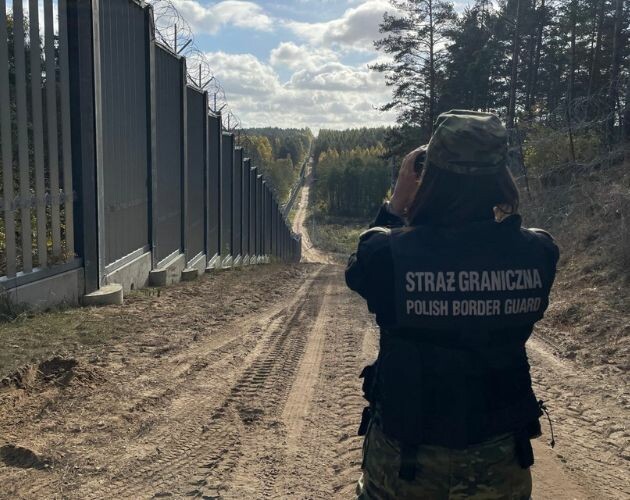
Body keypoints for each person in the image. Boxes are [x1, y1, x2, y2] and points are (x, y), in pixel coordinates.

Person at [346, 110, 559, 500]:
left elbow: (359, 273)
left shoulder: (385, 253)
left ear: (430, 177)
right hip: (500, 462)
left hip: (405, 464)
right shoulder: (539, 252)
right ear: (500, 178)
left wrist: (397, 203)